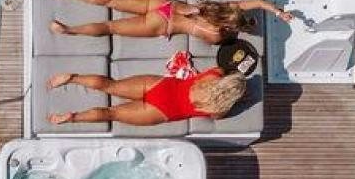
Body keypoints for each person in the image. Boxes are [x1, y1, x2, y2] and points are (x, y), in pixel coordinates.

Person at [44, 0, 295, 46]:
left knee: (113, 0)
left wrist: (278, 12)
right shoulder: (217, 35)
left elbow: (259, 2)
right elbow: (212, 39)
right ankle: (69, 30)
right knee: (110, 27)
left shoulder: (224, 6)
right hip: (164, 23)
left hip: (167, 5)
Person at [46, 68, 247, 127]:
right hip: (164, 111)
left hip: (161, 87)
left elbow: (221, 68)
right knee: (111, 113)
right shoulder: (219, 109)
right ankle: (71, 117)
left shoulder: (214, 75)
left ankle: (73, 78)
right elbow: (216, 117)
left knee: (111, 85)